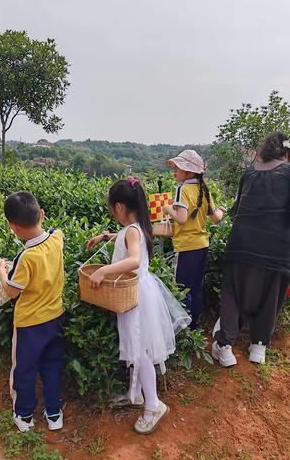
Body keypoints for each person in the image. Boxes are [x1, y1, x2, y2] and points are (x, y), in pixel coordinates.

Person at [86, 177, 190, 434]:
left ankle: (154, 405)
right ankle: (139, 395)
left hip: (136, 297)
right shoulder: (137, 227)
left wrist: (104, 271)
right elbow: (128, 241)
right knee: (137, 346)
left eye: (112, 208)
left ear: (120, 207)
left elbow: (133, 259)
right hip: (140, 293)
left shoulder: (132, 231)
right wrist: (107, 236)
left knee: (140, 351)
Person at [212, 132, 290, 366]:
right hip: (277, 249)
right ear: (287, 153)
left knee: (233, 293)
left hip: (242, 244)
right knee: (271, 295)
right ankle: (258, 347)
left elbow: (238, 208)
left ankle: (225, 346)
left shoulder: (250, 172)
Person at [0, 191, 65, 433]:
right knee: (52, 366)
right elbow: (56, 230)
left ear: (12, 227)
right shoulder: (57, 239)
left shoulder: (25, 257)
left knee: (24, 369)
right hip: (55, 317)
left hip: (28, 324)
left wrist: (2, 272)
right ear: (42, 214)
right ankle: (54, 413)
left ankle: (25, 415)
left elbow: (12, 291)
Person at [162, 150, 226, 329]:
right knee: (196, 286)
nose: (174, 171)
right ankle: (195, 324)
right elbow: (215, 219)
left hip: (186, 247)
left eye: (177, 168)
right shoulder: (204, 190)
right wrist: (223, 209)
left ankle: (184, 327)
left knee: (182, 287)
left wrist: (168, 209)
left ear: (189, 171)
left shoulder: (182, 189)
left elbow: (181, 218)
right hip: (202, 245)